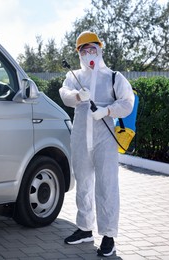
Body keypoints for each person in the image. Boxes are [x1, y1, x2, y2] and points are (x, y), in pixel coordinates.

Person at [59, 31, 134, 257]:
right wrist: (77, 96)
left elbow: (127, 103)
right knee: (83, 183)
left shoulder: (113, 77)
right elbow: (64, 94)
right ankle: (84, 229)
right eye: (84, 50)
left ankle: (109, 235)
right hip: (81, 137)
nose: (89, 53)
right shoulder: (74, 77)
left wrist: (108, 110)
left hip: (105, 139)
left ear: (100, 50)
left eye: (92, 48)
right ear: (79, 54)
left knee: (106, 186)